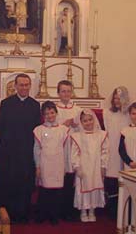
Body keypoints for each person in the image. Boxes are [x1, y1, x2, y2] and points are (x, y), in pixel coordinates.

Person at [0, 73, 41, 223]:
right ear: (15, 86)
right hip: (9, 152)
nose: (24, 88)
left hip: (27, 152)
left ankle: (23, 213)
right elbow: (0, 126)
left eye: (27, 85)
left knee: (25, 183)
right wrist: (9, 144)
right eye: (21, 85)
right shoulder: (6, 103)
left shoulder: (35, 105)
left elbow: (36, 129)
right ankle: (8, 213)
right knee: (8, 182)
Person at [33, 101, 69, 225]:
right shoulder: (39, 130)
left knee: (56, 191)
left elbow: (66, 150)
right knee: (44, 190)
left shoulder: (64, 130)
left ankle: (54, 215)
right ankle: (42, 214)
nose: (50, 115)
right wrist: (37, 166)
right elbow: (37, 150)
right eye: (46, 113)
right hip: (45, 163)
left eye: (52, 112)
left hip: (58, 163)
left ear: (56, 113)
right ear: (43, 115)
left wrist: (66, 166)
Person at [71, 109, 109, 222]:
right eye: (85, 121)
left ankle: (92, 210)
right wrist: (77, 167)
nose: (88, 123)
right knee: (83, 187)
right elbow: (74, 153)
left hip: (96, 167)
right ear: (81, 122)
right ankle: (83, 211)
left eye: (90, 119)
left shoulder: (102, 135)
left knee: (94, 187)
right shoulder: (77, 136)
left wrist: (103, 166)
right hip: (83, 167)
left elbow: (105, 151)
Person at [55, 80, 81, 221]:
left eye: (68, 91)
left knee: (71, 178)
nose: (66, 94)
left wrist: (77, 125)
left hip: (73, 146)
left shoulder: (77, 109)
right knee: (60, 176)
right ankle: (58, 209)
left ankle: (71, 209)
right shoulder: (54, 109)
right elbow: (50, 126)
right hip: (59, 147)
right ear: (58, 93)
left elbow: (84, 128)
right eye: (63, 91)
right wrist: (63, 125)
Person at [103, 86, 130, 218]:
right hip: (112, 147)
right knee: (112, 177)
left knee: (124, 177)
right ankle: (112, 209)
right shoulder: (107, 113)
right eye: (115, 97)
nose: (117, 100)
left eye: (120, 98)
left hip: (126, 148)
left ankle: (124, 208)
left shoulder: (129, 114)